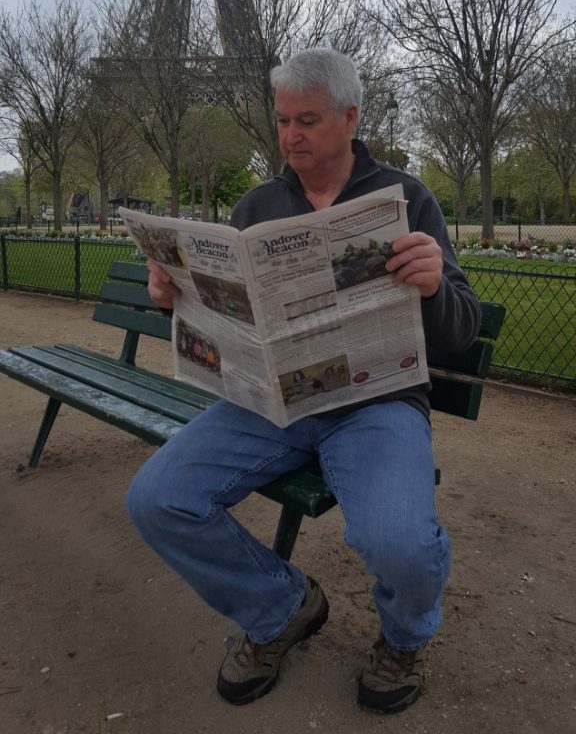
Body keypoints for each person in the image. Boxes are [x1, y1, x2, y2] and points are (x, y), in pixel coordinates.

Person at [126, 47, 481, 715]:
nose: (290, 136)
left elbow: (460, 329)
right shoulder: (259, 203)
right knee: (156, 498)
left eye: (308, 120)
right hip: (270, 401)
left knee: (399, 544)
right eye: (283, 120)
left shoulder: (405, 198)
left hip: (373, 403)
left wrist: (434, 286)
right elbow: (223, 307)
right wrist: (171, 294)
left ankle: (403, 640)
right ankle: (282, 607)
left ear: (349, 117)